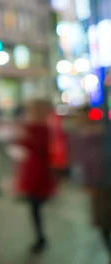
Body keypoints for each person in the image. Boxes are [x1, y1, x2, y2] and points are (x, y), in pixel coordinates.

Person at [14, 99, 57, 255]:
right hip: (34, 169)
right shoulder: (35, 127)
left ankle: (40, 238)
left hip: (40, 171)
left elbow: (40, 147)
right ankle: (40, 237)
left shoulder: (43, 129)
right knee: (35, 208)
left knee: (36, 207)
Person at [69, 107, 111, 258]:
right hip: (97, 183)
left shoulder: (98, 134)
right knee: (103, 223)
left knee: (104, 221)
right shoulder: (81, 135)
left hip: (102, 181)